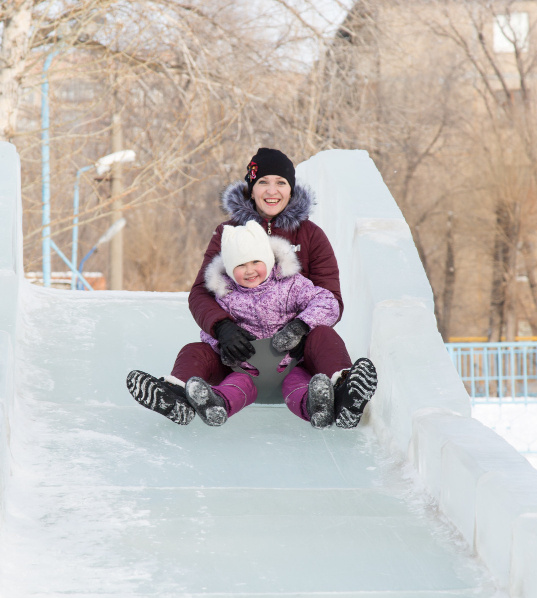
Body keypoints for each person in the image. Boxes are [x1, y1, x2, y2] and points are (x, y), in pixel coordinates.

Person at [126, 147, 377, 428]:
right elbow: (201, 293)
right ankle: (177, 396)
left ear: (291, 189)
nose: (272, 191)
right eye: (263, 182)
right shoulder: (227, 234)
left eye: (281, 183)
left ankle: (343, 392)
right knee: (194, 350)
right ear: (251, 188)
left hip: (297, 356)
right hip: (241, 359)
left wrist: (301, 328)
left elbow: (330, 298)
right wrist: (223, 329)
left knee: (324, 335)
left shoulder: (310, 235)